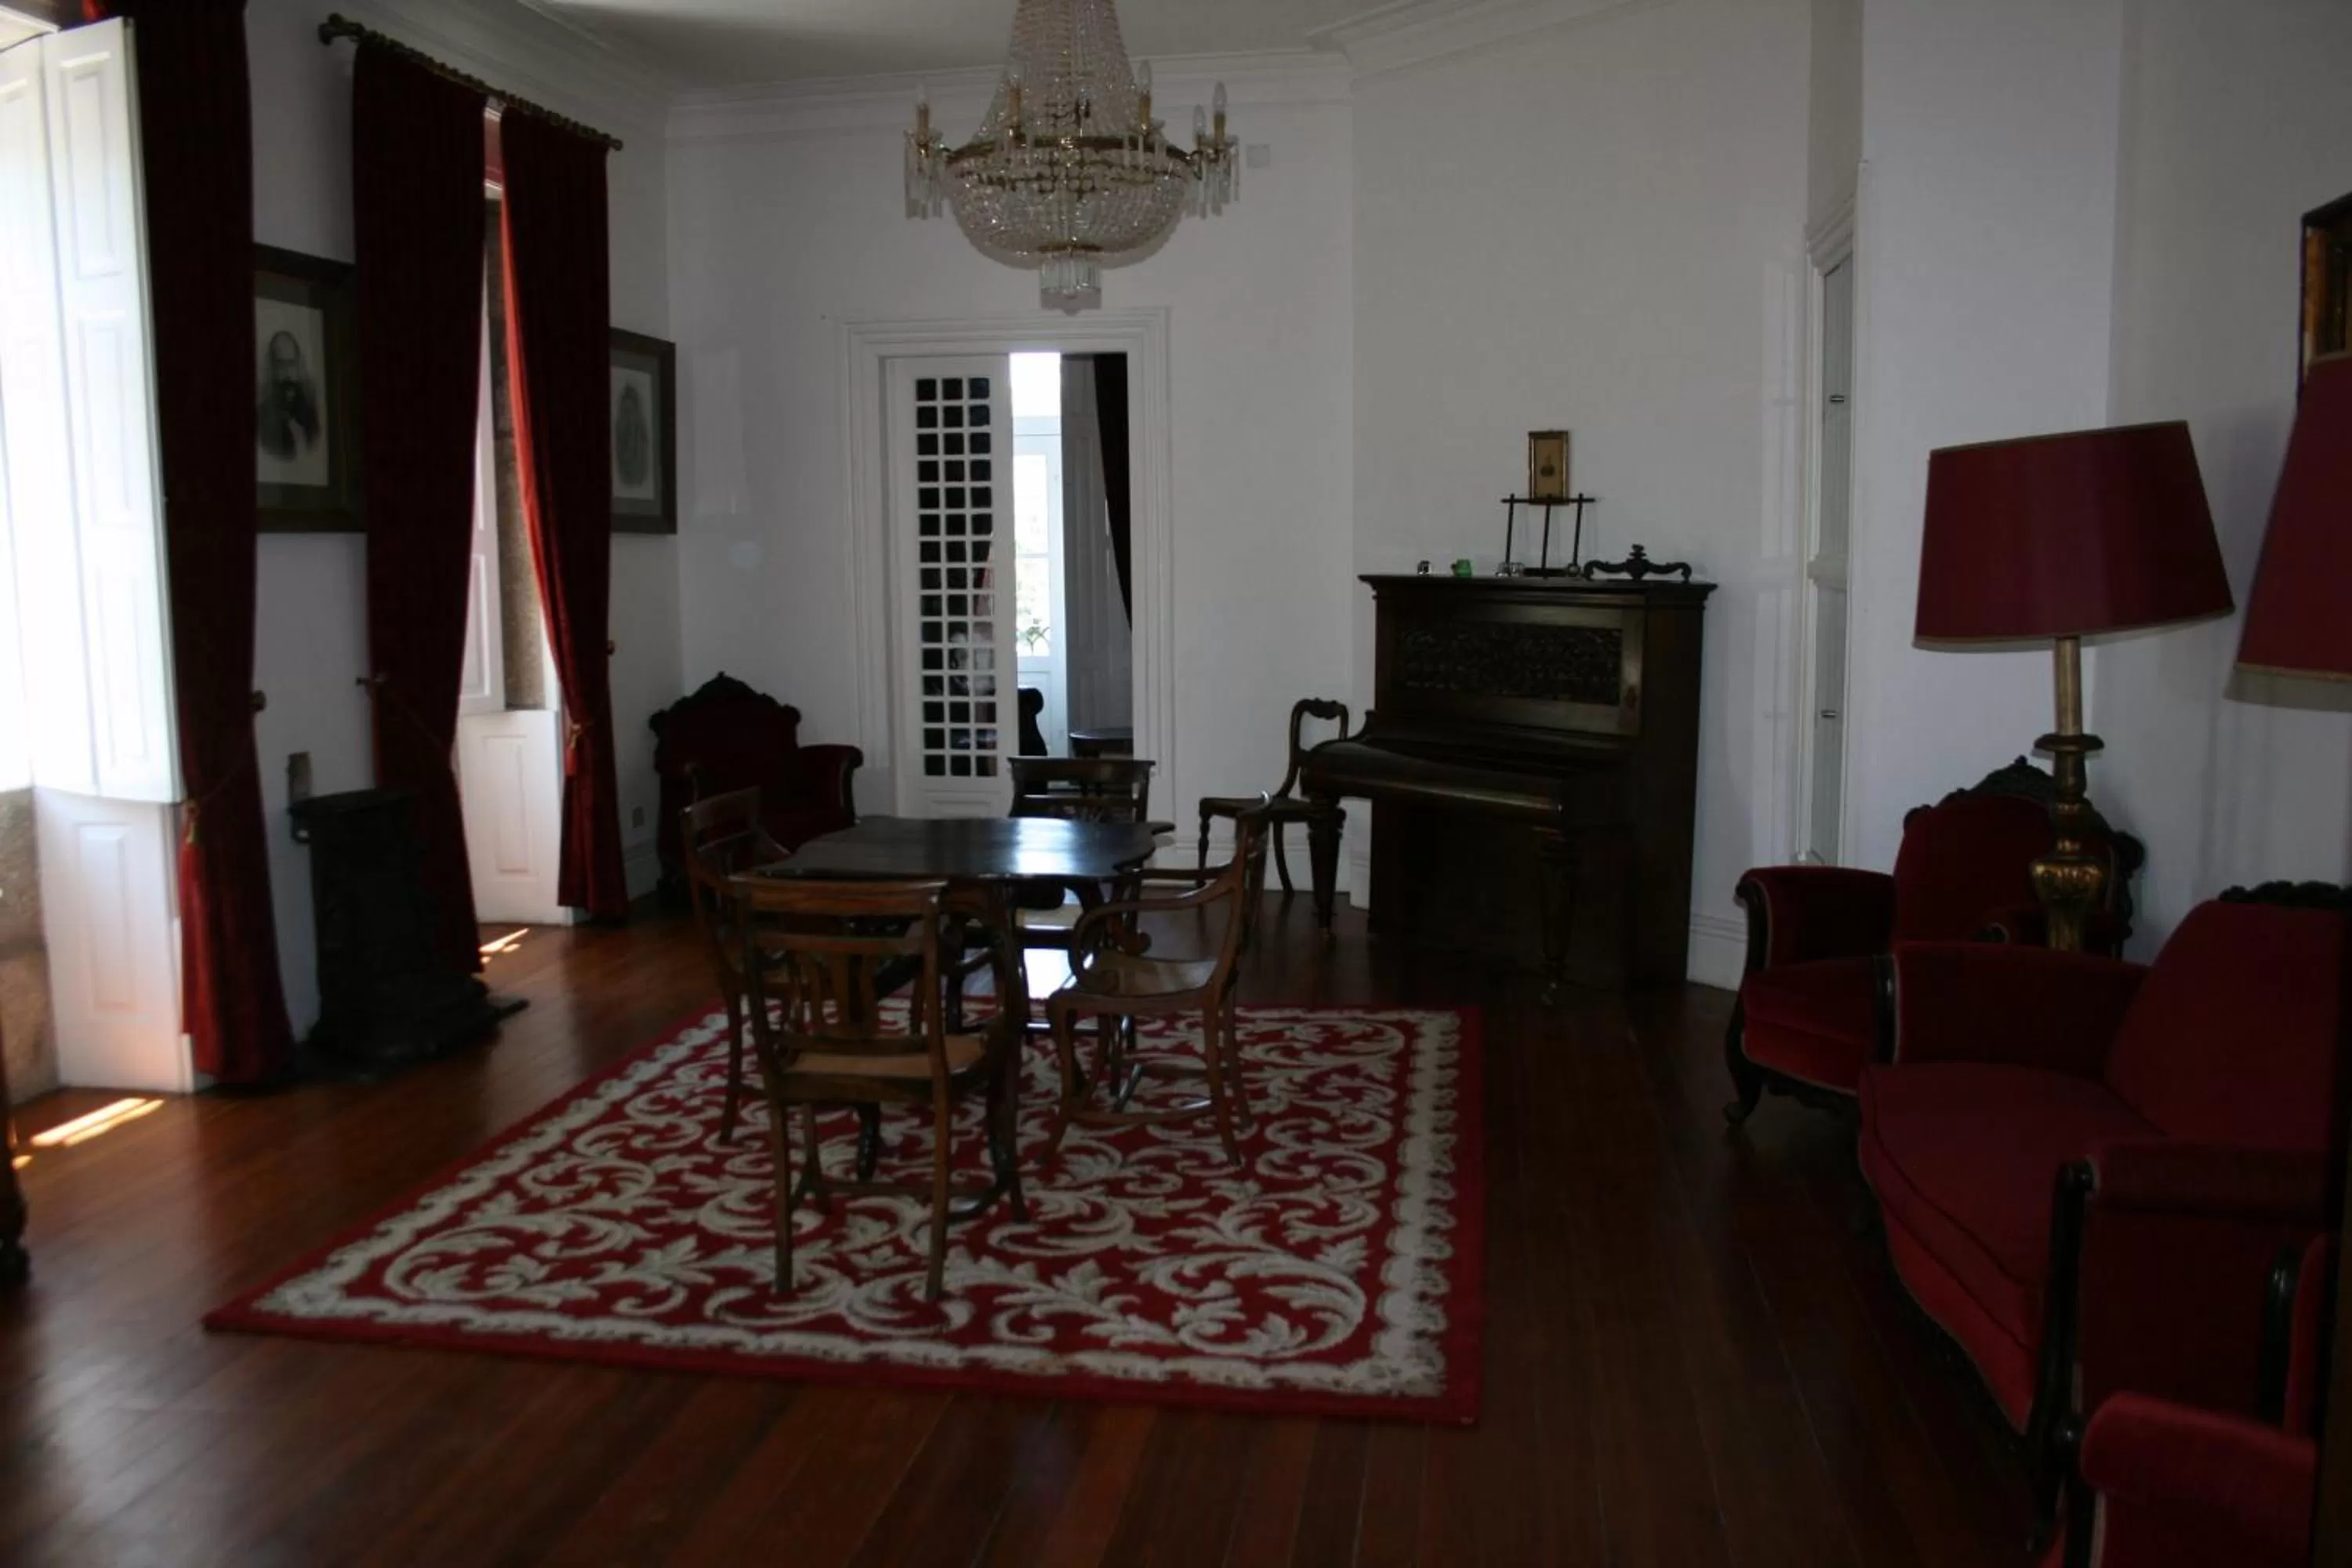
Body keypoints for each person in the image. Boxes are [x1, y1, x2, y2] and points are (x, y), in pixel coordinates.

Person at [256, 330, 321, 461]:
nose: (287, 374)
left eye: (291, 364)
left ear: (298, 364)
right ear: (273, 367)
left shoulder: (310, 415)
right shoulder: (262, 419)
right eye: (281, 365)